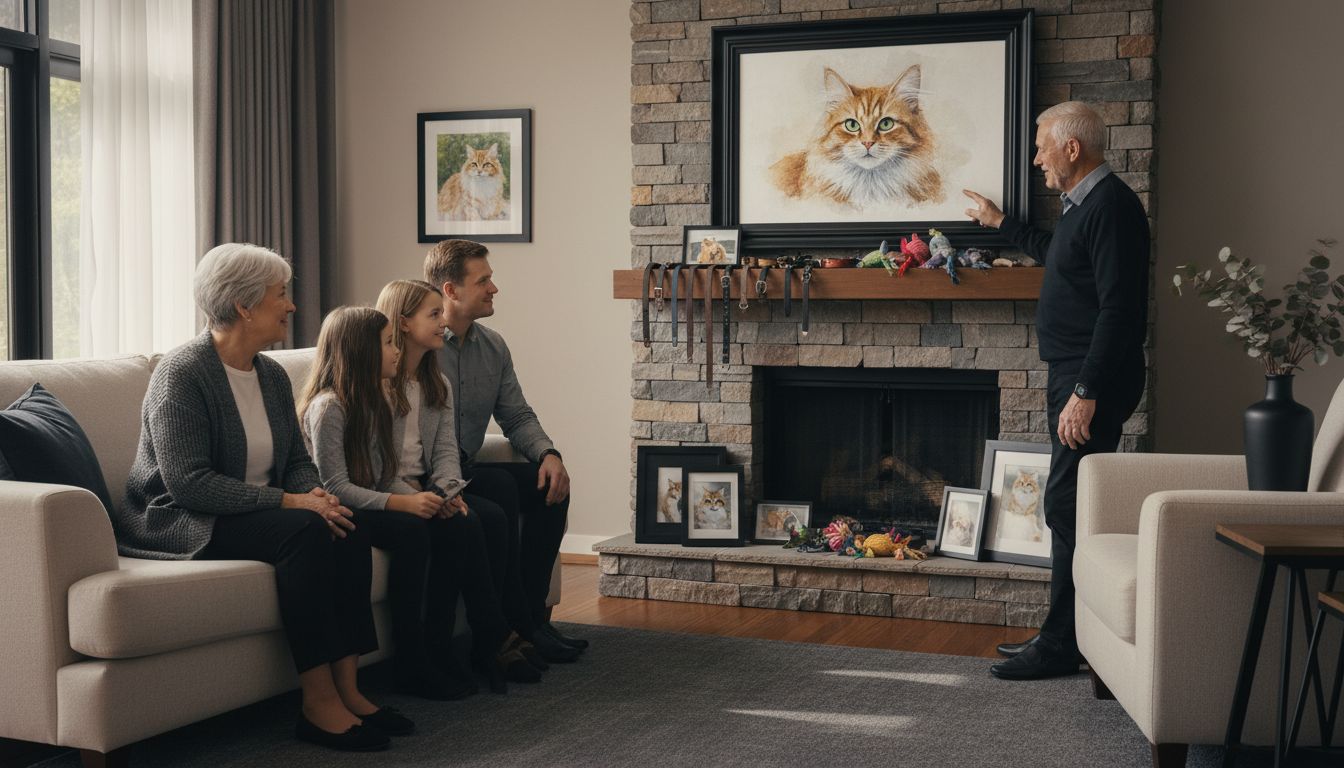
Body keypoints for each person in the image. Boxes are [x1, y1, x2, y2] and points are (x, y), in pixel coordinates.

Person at [112, 243, 408, 751]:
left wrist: (316, 494)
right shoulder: (182, 373)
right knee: (308, 532)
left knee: (346, 524)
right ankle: (316, 705)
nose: (291, 305)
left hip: (253, 505)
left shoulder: (270, 374)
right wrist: (291, 504)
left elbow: (293, 460)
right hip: (184, 517)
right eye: (281, 295)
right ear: (245, 306)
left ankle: (349, 690)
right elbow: (188, 483)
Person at [963, 101, 1149, 681]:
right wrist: (1000, 223)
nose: (1036, 156)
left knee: (1065, 505)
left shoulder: (1112, 206)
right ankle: (1067, 636)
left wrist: (1086, 390)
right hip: (1073, 375)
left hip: (1088, 379)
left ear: (1073, 148)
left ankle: (1062, 643)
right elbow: (1057, 255)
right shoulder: (1083, 208)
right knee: (1070, 505)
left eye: (1042, 144)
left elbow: (1121, 310)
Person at [299, 305, 538, 699]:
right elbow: (335, 486)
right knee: (412, 531)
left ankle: (439, 649)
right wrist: (403, 505)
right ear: (360, 351)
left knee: (457, 522)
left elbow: (388, 472)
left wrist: (432, 498)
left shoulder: (380, 400)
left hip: (376, 497)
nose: (396, 351)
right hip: (343, 507)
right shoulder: (329, 407)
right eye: (388, 343)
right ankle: (411, 659)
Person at [425, 239, 587, 658]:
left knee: (549, 487)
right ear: (451, 290)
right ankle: (512, 628)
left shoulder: (493, 346)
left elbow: (515, 416)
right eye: (484, 281)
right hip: (427, 474)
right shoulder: (419, 347)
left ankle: (534, 621)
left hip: (467, 467)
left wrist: (549, 454)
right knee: (499, 488)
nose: (494, 288)